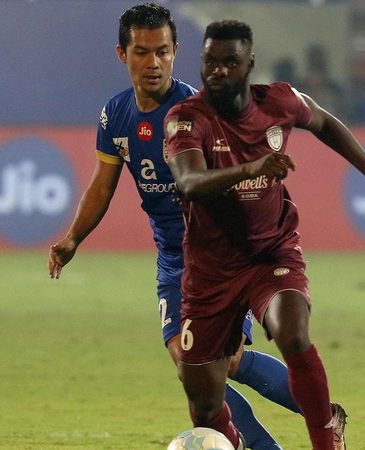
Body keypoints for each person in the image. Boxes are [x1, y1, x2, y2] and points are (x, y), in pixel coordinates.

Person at [47, 4, 347, 450]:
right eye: (142, 52)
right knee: (193, 367)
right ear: (122, 54)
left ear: (176, 52)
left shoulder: (198, 111)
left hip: (219, 256)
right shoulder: (115, 115)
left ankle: (321, 416)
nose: (154, 63)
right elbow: (102, 184)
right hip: (173, 258)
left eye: (163, 52)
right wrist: (73, 237)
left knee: (226, 360)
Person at [164, 20, 365, 450]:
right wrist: (252, 168)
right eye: (209, 61)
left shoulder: (278, 101)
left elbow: (326, 123)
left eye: (229, 62)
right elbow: (189, 182)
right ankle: (234, 442)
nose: (218, 70)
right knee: (204, 405)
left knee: (293, 333)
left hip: (271, 254)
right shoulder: (186, 119)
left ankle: (326, 441)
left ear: (249, 64)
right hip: (211, 271)